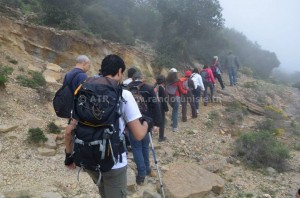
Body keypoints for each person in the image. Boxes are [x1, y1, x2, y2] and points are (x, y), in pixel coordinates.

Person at [65, 54, 149, 197]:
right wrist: (147, 122)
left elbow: (69, 131)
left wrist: (68, 157)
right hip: (114, 162)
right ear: (120, 71)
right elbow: (139, 134)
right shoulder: (124, 94)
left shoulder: (83, 90)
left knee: (103, 192)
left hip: (87, 158)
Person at [127, 69, 162, 185]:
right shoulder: (148, 88)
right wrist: (157, 124)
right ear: (141, 77)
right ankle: (147, 169)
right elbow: (156, 106)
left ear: (132, 78)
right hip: (146, 122)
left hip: (132, 122)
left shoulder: (125, 88)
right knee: (145, 146)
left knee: (136, 148)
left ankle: (141, 175)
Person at [64, 55, 90, 167]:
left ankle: (69, 156)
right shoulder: (83, 75)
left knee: (71, 131)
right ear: (84, 63)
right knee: (79, 133)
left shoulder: (68, 74)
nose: (88, 67)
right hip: (78, 110)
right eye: (89, 65)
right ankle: (75, 159)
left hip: (69, 108)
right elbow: (85, 95)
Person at [166, 68, 187, 132]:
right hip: (176, 98)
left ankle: (173, 123)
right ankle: (175, 127)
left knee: (174, 110)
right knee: (175, 111)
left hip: (169, 98)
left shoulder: (166, 80)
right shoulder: (177, 81)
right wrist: (186, 91)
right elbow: (181, 90)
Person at [155, 75, 169, 142]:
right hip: (160, 106)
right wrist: (166, 109)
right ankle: (161, 137)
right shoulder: (161, 88)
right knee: (162, 121)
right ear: (163, 81)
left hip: (155, 105)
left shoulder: (155, 86)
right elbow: (163, 100)